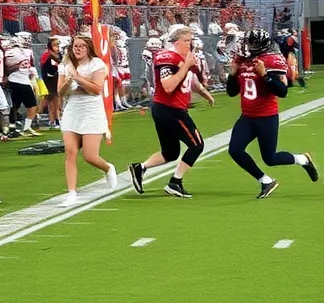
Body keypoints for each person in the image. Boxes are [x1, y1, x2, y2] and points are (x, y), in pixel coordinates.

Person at [226, 29, 317, 198]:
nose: (248, 46)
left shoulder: (271, 60)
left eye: (253, 43)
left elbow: (282, 91)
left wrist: (265, 75)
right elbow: (232, 92)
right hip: (247, 117)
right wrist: (232, 74)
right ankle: (266, 181)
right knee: (235, 150)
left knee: (270, 159)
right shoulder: (242, 61)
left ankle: (303, 160)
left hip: (266, 117)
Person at [128, 26, 215, 199]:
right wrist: (186, 66)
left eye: (191, 40)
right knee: (197, 145)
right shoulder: (167, 57)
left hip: (168, 110)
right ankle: (175, 182)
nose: (191, 44)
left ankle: (141, 168)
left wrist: (205, 94)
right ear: (176, 42)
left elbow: (190, 80)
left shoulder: (185, 58)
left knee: (170, 153)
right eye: (187, 40)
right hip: (171, 110)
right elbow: (168, 86)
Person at [56, 35, 117, 208]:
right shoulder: (65, 66)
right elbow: (60, 93)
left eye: (82, 46)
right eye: (76, 46)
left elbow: (96, 89)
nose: (78, 49)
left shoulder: (96, 64)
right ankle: (71, 193)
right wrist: (69, 80)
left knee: (90, 156)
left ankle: (107, 168)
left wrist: (79, 78)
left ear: (88, 48)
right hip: (72, 110)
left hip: (91, 111)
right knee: (70, 151)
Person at [39, 37, 64, 129]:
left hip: (57, 79)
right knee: (51, 101)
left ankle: (53, 120)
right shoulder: (47, 55)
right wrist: (55, 71)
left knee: (55, 101)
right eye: (55, 45)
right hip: (50, 80)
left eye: (58, 45)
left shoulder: (59, 54)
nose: (57, 47)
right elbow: (45, 67)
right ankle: (54, 119)